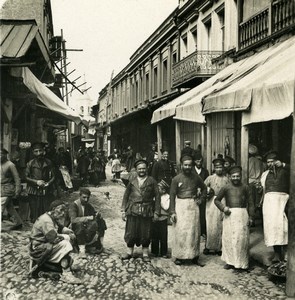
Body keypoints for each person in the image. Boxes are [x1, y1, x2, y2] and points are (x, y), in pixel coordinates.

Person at [29, 200, 81, 283]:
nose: (63, 213)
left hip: (45, 244)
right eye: (61, 210)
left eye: (64, 210)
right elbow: (53, 238)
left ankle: (61, 263)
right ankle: (66, 274)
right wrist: (67, 236)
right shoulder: (46, 220)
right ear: (53, 209)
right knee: (65, 243)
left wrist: (68, 231)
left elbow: (59, 227)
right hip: (39, 248)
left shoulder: (50, 217)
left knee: (68, 237)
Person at [214, 166, 254, 271]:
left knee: (241, 239)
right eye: (233, 176)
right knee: (229, 239)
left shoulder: (246, 187)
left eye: (238, 176)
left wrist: (251, 217)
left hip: (242, 215)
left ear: (241, 176)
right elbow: (217, 200)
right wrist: (223, 208)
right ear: (230, 177)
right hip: (230, 215)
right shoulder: (226, 187)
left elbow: (251, 203)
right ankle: (230, 261)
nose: (236, 178)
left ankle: (242, 262)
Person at [169, 155, 207, 266]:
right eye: (185, 165)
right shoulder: (176, 179)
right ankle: (180, 256)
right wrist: (172, 212)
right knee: (181, 232)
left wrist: (201, 199)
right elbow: (172, 195)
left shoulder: (196, 177)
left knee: (193, 232)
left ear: (192, 166)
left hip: (193, 206)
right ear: (181, 165)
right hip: (180, 206)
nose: (187, 167)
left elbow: (204, 188)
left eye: (189, 165)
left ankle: (194, 256)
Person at [121, 159, 161, 262]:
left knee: (145, 231)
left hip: (146, 210)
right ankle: (129, 252)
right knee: (131, 231)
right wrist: (123, 210)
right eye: (140, 169)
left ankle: (145, 253)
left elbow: (157, 197)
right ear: (136, 170)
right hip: (132, 209)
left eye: (143, 168)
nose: (142, 170)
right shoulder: (132, 181)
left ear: (147, 169)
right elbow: (126, 196)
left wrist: (156, 212)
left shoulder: (152, 181)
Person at [260, 151, 289, 262]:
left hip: (282, 202)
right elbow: (263, 191)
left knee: (284, 227)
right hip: (269, 204)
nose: (270, 164)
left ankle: (286, 253)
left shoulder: (286, 171)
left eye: (272, 161)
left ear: (277, 161)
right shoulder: (265, 174)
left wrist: (284, 165)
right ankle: (277, 254)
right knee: (272, 228)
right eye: (268, 162)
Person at [68, 188, 107, 255]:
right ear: (79, 196)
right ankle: (82, 250)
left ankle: (101, 244)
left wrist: (98, 215)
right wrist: (87, 218)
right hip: (74, 228)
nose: (86, 200)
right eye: (84, 197)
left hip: (85, 227)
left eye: (87, 198)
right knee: (79, 224)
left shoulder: (87, 205)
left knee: (101, 221)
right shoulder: (74, 205)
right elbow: (73, 220)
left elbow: (93, 214)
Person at [203, 158, 230, 255]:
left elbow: (229, 190)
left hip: (222, 201)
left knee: (220, 223)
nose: (219, 169)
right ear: (214, 168)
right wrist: (207, 192)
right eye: (217, 167)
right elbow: (202, 187)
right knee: (210, 224)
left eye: (220, 167)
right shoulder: (210, 178)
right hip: (211, 202)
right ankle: (208, 246)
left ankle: (219, 247)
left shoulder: (226, 179)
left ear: (223, 168)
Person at [25, 142, 55, 223]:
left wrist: (48, 183)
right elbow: (25, 177)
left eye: (40, 151)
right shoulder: (30, 163)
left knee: (45, 209)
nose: (38, 153)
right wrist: (36, 182)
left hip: (45, 190)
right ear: (33, 152)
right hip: (33, 190)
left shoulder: (49, 162)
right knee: (34, 210)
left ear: (43, 151)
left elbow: (54, 176)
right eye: (36, 151)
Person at [1, 148, 23, 230]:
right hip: (1, 189)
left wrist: (18, 190)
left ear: (5, 155)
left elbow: (17, 178)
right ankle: (18, 223)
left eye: (1, 154)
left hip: (7, 189)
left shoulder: (10, 165)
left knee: (1, 206)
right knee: (9, 207)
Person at [151, 179, 170, 258]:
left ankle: (163, 252)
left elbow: (166, 207)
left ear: (164, 190)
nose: (157, 190)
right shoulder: (155, 196)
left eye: (159, 189)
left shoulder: (167, 197)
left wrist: (158, 201)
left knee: (163, 236)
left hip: (163, 218)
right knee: (154, 235)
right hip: (155, 218)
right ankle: (154, 251)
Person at [193, 153, 209, 238]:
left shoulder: (205, 171)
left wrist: (202, 190)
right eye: (197, 160)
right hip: (193, 193)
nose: (199, 162)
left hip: (202, 193)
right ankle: (195, 232)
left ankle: (203, 231)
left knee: (202, 213)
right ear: (194, 161)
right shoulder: (191, 170)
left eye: (200, 160)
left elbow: (206, 184)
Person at [248, 144, 264, 223]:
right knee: (259, 202)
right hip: (258, 182)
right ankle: (261, 220)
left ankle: (252, 219)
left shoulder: (248, 161)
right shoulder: (260, 162)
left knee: (251, 201)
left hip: (250, 182)